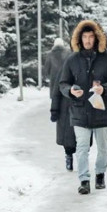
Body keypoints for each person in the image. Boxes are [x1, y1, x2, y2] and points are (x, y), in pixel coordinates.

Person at [58, 20, 107, 195]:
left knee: (102, 146)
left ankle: (100, 173)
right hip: (79, 111)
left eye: (91, 37)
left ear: (97, 38)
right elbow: (63, 83)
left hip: (101, 110)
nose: (87, 40)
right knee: (81, 147)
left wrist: (105, 89)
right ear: (79, 39)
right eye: (84, 37)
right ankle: (84, 180)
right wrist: (71, 91)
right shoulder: (72, 59)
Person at [46, 38, 76, 171]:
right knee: (72, 132)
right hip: (65, 93)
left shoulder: (50, 55)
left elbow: (46, 71)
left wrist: (54, 109)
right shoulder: (68, 56)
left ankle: (69, 157)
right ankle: (73, 156)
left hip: (57, 90)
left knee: (66, 130)